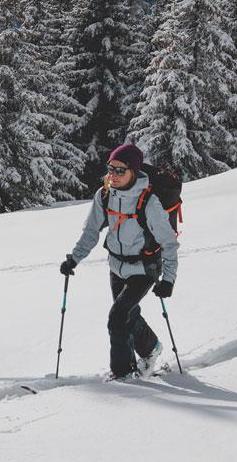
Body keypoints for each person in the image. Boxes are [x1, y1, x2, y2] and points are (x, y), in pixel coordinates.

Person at [59, 142, 178, 379]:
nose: (113, 175)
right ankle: (151, 348)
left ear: (133, 171)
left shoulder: (149, 202)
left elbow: (169, 242)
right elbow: (91, 231)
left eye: (120, 170)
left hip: (144, 268)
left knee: (117, 318)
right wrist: (75, 258)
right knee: (127, 315)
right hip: (116, 266)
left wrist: (169, 279)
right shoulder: (104, 195)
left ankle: (122, 376)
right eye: (110, 168)